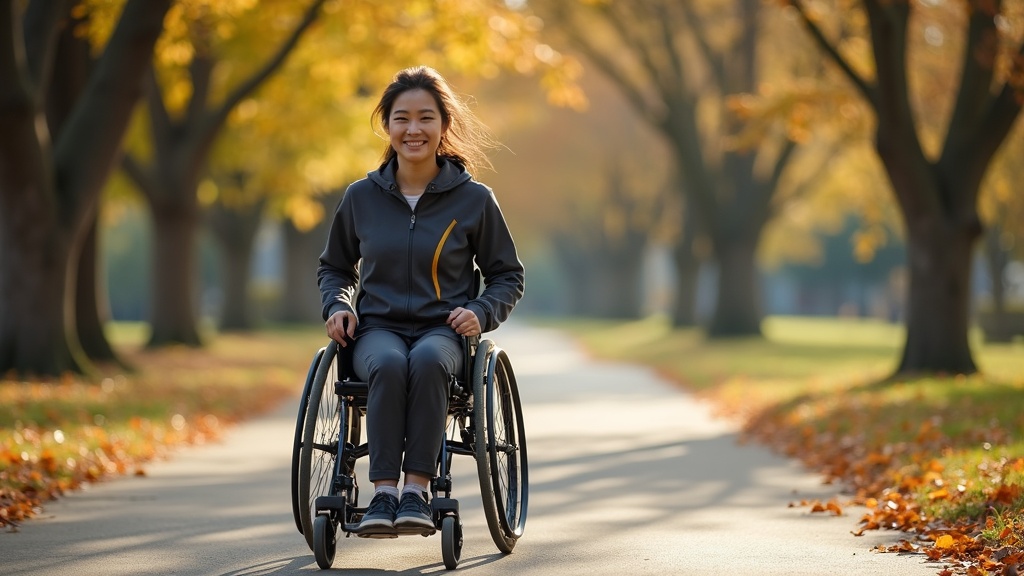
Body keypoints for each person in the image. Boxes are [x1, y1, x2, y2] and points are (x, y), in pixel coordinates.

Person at [317, 66, 525, 537]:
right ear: (387, 126)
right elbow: (334, 267)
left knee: (429, 360)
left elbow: (507, 275)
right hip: (376, 330)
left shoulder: (474, 199)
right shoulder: (360, 198)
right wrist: (337, 306)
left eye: (426, 118)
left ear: (444, 125)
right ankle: (384, 493)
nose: (414, 129)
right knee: (388, 364)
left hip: (443, 331)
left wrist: (480, 311)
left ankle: (416, 490)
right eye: (402, 118)